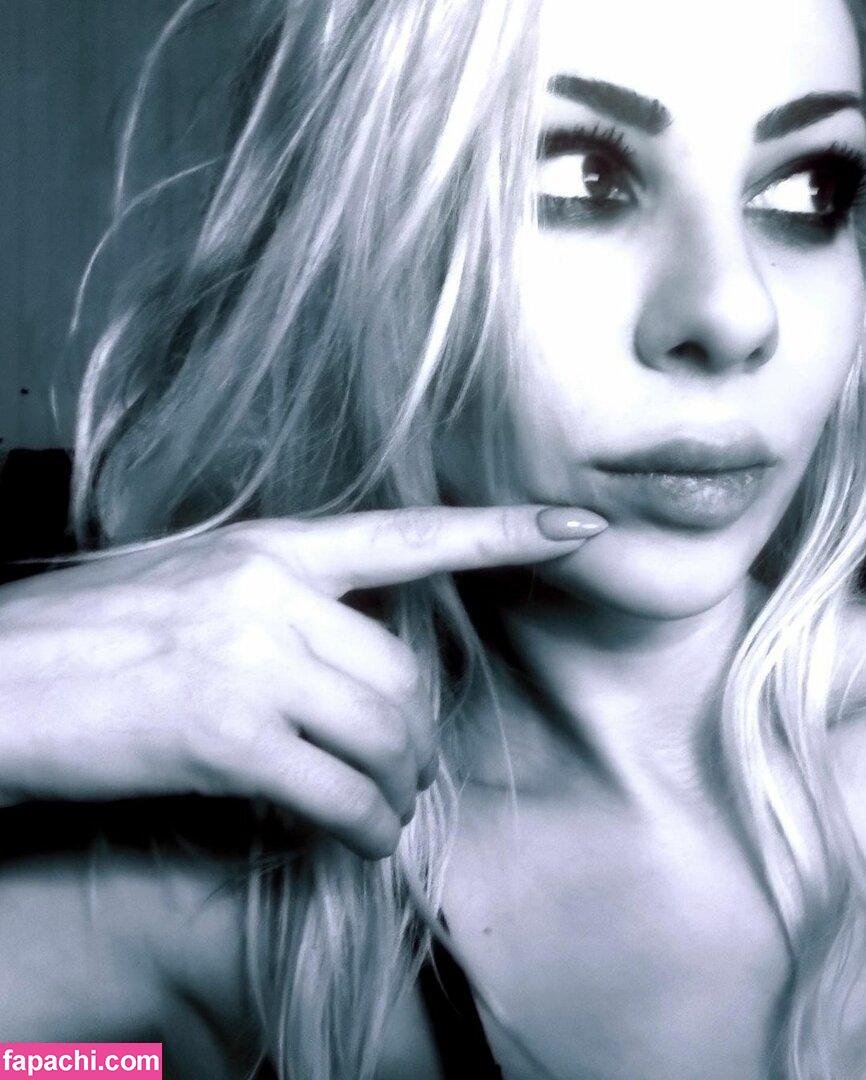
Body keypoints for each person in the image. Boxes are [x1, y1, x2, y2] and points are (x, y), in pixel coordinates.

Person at [3, 0, 866, 1076]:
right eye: (578, 178)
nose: (734, 316)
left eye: (807, 191)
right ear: (350, 236)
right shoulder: (209, 911)